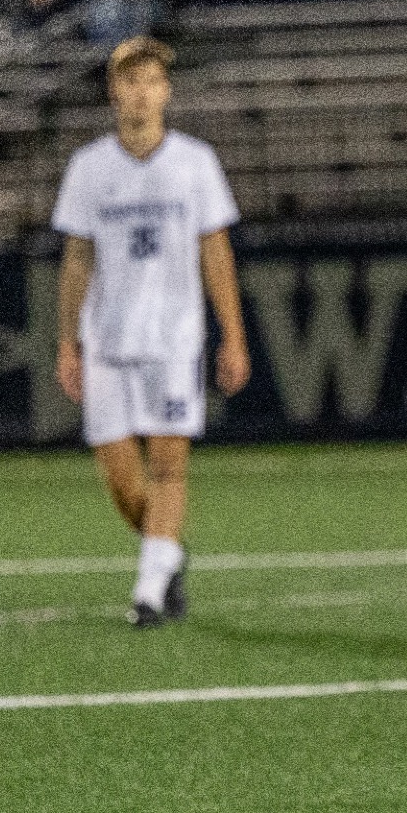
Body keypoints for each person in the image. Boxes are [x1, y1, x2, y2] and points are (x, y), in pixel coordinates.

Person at [52, 36, 249, 627]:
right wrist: (68, 339)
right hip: (108, 340)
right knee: (121, 479)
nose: (140, 92)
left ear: (166, 90)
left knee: (168, 466)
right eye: (129, 80)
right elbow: (77, 259)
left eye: (151, 81)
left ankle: (148, 590)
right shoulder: (89, 167)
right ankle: (166, 553)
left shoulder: (196, 162)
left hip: (174, 338)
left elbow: (216, 252)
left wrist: (233, 334)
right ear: (114, 89)